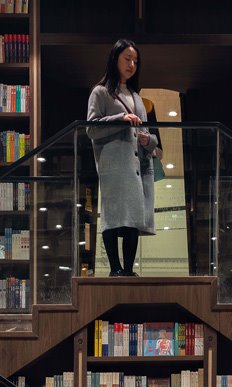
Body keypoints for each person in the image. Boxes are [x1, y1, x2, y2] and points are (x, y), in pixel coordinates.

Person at [87, 39, 157, 277]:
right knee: (113, 215)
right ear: (115, 58)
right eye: (127, 58)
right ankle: (115, 269)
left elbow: (148, 133)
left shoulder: (137, 97)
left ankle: (128, 270)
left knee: (132, 219)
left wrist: (149, 141)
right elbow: (91, 128)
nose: (132, 64)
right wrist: (120, 119)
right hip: (113, 165)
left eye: (135, 60)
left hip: (137, 165)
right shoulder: (100, 92)